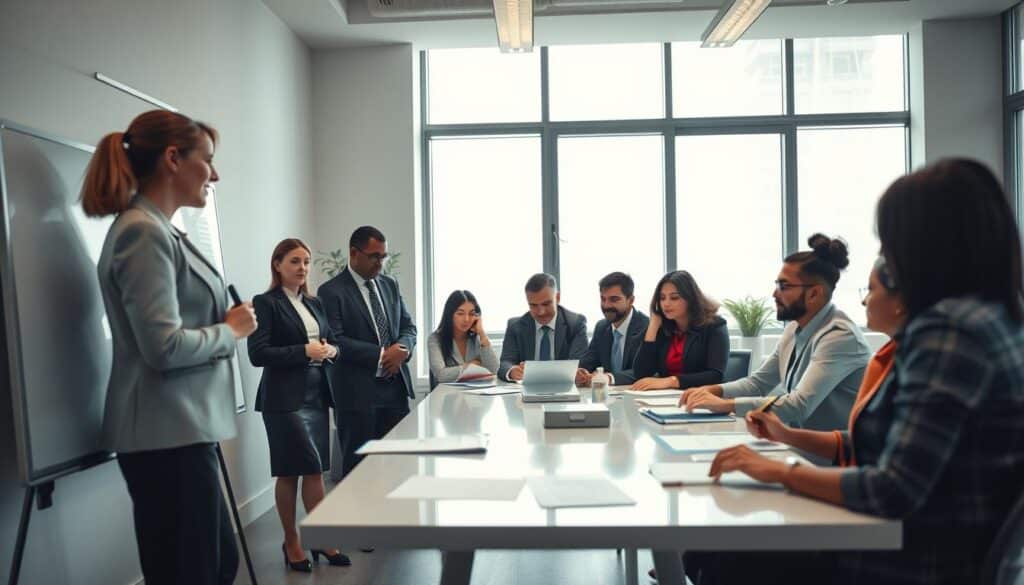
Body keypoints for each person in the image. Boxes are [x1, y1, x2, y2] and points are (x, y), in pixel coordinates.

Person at [702, 158, 1024, 585]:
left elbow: (892, 488)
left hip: (908, 562)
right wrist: (785, 439)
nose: (886, 258)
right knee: (717, 551)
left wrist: (779, 471)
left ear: (924, 247)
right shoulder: (994, 319)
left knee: (725, 555)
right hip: (934, 547)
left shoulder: (948, 333)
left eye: (890, 242)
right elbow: (902, 445)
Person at [82, 110, 257, 585]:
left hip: (180, 431)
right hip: (164, 436)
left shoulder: (159, 228)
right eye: (209, 161)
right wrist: (233, 330)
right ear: (173, 158)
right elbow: (162, 347)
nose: (215, 175)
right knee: (193, 571)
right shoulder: (143, 232)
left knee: (214, 564)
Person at [681, 234, 871, 431]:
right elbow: (757, 384)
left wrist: (726, 405)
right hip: (796, 445)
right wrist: (713, 390)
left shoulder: (840, 336)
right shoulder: (794, 329)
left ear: (814, 293)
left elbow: (799, 405)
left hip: (830, 456)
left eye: (784, 286)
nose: (775, 293)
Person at [248, 238, 350, 572]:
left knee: (315, 469)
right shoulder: (266, 303)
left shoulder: (315, 303)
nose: (303, 268)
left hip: (316, 394)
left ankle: (319, 537)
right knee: (291, 469)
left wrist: (330, 351)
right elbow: (257, 353)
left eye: (306, 261)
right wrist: (304, 352)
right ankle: (291, 541)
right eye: (294, 261)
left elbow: (332, 342)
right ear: (277, 264)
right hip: (284, 400)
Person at [317, 226, 416, 478]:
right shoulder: (331, 291)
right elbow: (335, 340)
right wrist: (382, 355)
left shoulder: (389, 284)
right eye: (374, 256)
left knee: (400, 469)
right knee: (360, 475)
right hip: (357, 396)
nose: (380, 263)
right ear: (354, 253)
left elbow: (408, 327)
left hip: (395, 391)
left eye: (383, 256)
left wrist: (402, 348)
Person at [631, 270, 728, 390]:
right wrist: (653, 327)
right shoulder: (664, 328)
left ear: (690, 298)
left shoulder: (715, 326)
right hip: (666, 398)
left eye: (674, 298)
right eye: (662, 298)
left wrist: (672, 381)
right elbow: (641, 374)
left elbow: (715, 375)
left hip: (700, 398)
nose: (666, 304)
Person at [498, 273, 588, 382]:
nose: (541, 312)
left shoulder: (575, 323)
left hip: (563, 388)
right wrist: (512, 371)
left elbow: (579, 364)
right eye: (533, 305)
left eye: (546, 304)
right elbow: (505, 363)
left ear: (557, 298)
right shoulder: (515, 326)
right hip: (526, 390)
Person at [575, 272, 650, 386]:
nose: (606, 305)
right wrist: (580, 372)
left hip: (636, 396)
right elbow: (588, 362)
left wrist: (609, 378)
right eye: (603, 299)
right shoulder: (601, 327)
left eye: (614, 299)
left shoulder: (647, 327)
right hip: (607, 397)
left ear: (631, 300)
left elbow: (644, 371)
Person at [427, 290, 498, 388]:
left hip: (475, 396)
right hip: (447, 397)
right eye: (460, 314)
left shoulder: (477, 338)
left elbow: (493, 369)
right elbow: (441, 375)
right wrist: (471, 365)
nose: (466, 319)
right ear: (450, 315)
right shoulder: (435, 339)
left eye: (471, 314)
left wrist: (482, 333)